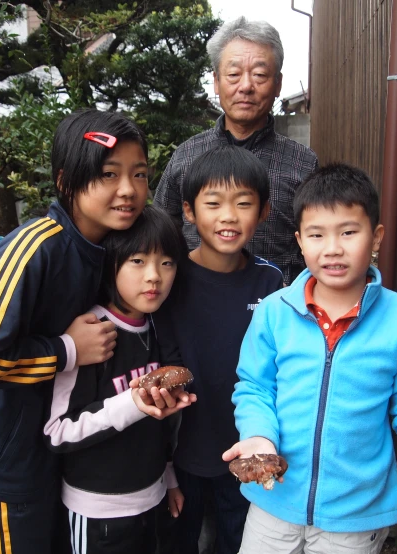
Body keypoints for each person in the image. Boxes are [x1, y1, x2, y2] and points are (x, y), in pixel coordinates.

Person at [0, 109, 152, 554]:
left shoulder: (108, 246)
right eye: (109, 174)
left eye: (140, 174)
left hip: (58, 460)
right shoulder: (37, 249)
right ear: (66, 181)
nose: (128, 190)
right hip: (8, 469)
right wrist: (67, 350)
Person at [223, 163, 397, 554]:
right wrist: (258, 436)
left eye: (349, 232)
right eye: (317, 235)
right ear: (300, 241)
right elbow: (254, 386)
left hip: (357, 514)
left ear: (376, 237)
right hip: (273, 502)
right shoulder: (273, 312)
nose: (332, 248)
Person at [150, 145, 285, 554]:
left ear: (263, 212)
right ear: (189, 211)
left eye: (243, 204)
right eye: (213, 203)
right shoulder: (169, 278)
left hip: (248, 448)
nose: (228, 216)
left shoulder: (271, 283)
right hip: (183, 452)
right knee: (179, 541)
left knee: (235, 540)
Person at [44, 206, 194, 554]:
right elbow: (57, 432)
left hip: (153, 501)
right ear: (111, 264)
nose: (154, 276)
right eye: (138, 261)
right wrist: (133, 403)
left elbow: (162, 428)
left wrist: (167, 479)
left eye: (166, 262)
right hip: (97, 513)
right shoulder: (91, 334)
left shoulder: (159, 328)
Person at [154, 16, 318, 284]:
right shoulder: (186, 155)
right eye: (233, 74)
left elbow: (318, 242)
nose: (245, 86)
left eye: (260, 75)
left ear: (277, 84)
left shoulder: (303, 163)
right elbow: (158, 231)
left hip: (276, 309)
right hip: (194, 305)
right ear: (216, 82)